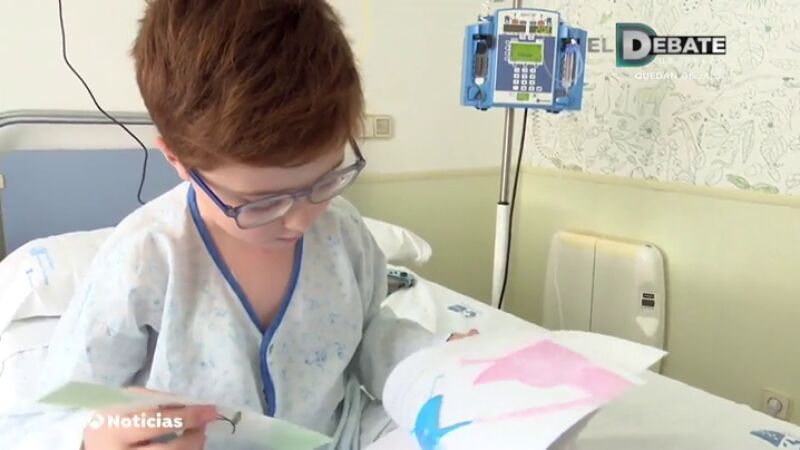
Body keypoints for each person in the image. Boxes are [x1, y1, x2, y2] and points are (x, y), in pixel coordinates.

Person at [0, 1, 475, 448]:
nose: (301, 219)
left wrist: (431, 360)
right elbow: (58, 408)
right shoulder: (144, 259)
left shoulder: (344, 233)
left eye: (326, 179)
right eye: (260, 203)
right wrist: (94, 436)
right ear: (178, 160)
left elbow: (369, 333)